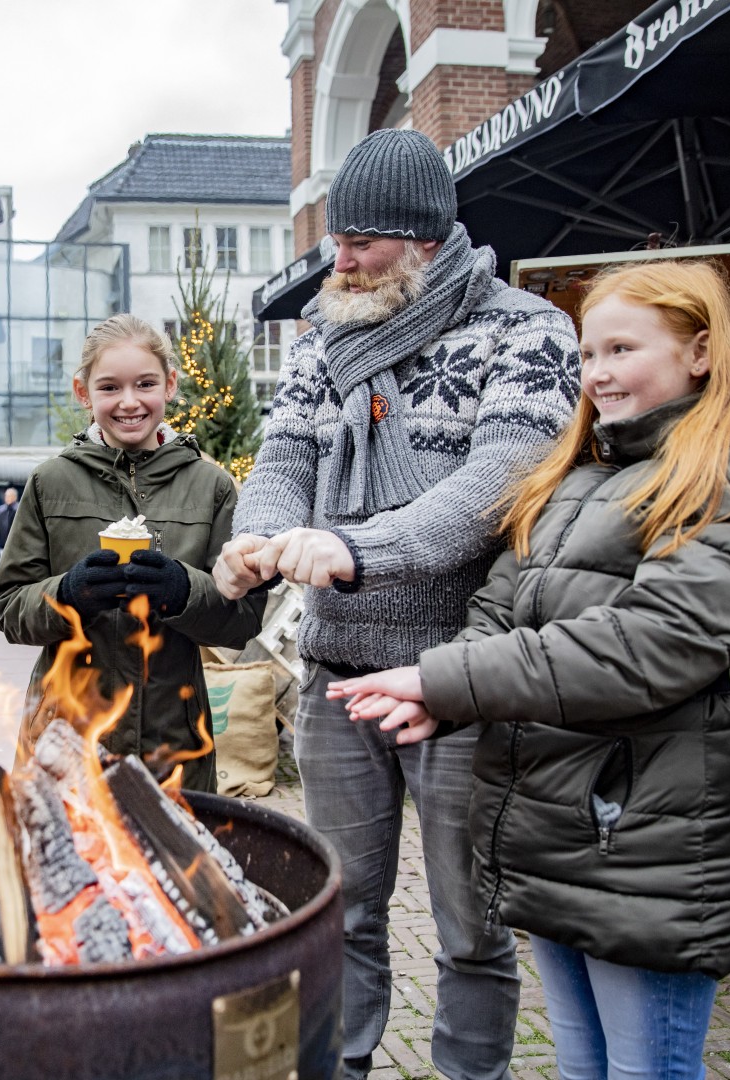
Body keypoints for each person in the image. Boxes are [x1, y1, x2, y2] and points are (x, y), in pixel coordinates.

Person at [333, 259, 730, 1079]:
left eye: (621, 349)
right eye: (587, 354)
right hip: (554, 824)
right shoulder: (576, 476)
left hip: (646, 835)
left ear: (701, 352)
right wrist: (450, 693)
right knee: (582, 1063)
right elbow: (499, 609)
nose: (597, 374)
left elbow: (654, 644)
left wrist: (445, 682)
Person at [213, 129, 581, 1079]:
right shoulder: (322, 334)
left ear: (424, 237)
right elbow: (283, 460)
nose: (339, 260)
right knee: (339, 911)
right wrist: (256, 540)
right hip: (338, 670)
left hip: (461, 675)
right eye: (338, 239)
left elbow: (499, 485)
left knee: (472, 925)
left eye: (363, 242)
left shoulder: (525, 330)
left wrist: (352, 547)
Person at [0, 314, 267, 792]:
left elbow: (243, 619)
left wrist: (185, 591)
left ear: (170, 384)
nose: (129, 402)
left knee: (174, 865)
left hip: (174, 744)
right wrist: (67, 594)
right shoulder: (50, 482)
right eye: (109, 387)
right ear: (83, 393)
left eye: (145, 384)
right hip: (65, 737)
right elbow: (9, 607)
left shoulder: (211, 486)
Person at [0, 485, 19, 552]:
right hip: (3, 546)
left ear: (15, 497)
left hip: (17, 547)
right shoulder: (0, 510)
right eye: (6, 496)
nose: (7, 498)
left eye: (9, 496)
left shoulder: (20, 510)